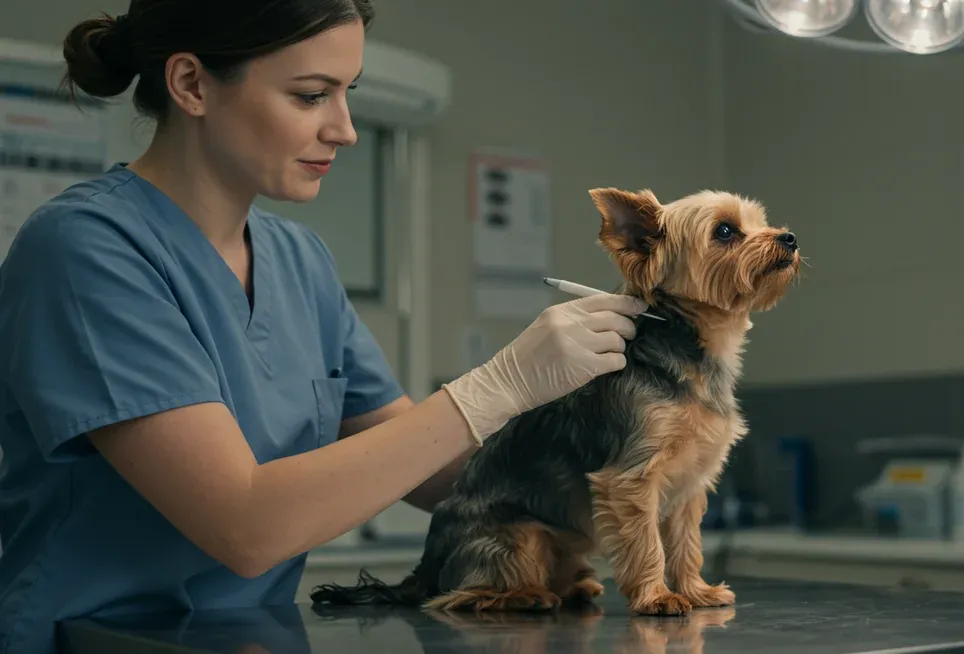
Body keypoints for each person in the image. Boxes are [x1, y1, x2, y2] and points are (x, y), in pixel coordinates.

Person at [0, 1, 647, 652]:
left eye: (347, 94)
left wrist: (634, 456)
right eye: (311, 96)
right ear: (191, 84)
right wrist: (499, 383)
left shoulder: (298, 261)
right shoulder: (86, 250)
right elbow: (245, 525)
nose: (344, 129)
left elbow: (435, 471)